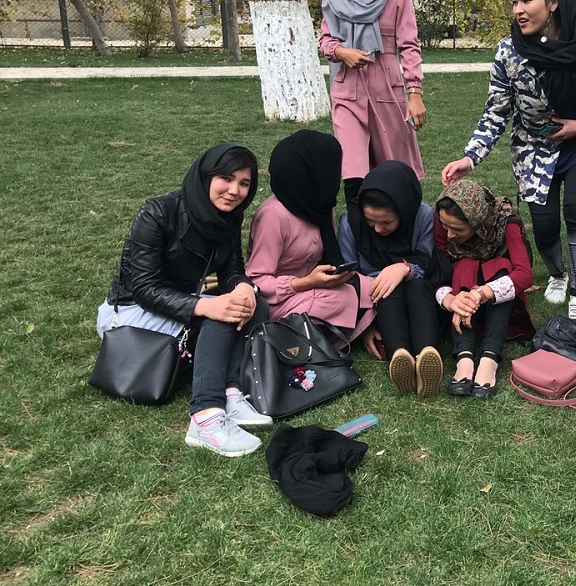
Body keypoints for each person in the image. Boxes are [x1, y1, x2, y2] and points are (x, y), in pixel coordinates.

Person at [441, 0, 576, 324]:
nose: (519, 10)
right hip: (534, 145)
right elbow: (496, 111)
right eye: (515, 1)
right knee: (543, 224)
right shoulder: (509, 51)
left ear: (554, 2)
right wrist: (470, 157)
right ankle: (557, 274)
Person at [96, 144, 271, 458]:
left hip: (182, 303)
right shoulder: (158, 211)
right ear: (205, 176)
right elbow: (143, 288)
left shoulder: (226, 218)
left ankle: (230, 392)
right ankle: (205, 417)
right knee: (219, 314)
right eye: (226, 178)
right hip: (129, 311)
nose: (234, 191)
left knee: (255, 305)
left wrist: (243, 286)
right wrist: (204, 306)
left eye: (244, 183)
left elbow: (231, 269)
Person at [319, 0, 427, 207]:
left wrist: (414, 93)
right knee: (353, 175)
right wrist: (343, 52)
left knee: (394, 172)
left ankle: (399, 238)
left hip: (387, 91)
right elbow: (325, 41)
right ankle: (358, 241)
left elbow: (409, 45)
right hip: (347, 93)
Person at [246, 130, 377, 350]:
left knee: (376, 287)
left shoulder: (319, 204)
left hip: (316, 287)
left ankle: (364, 329)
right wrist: (306, 283)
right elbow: (256, 281)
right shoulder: (274, 216)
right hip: (281, 301)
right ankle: (304, 337)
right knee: (342, 298)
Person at [338, 160, 446, 397]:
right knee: (388, 292)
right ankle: (401, 358)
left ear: (404, 210)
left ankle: (426, 355)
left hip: (416, 286)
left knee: (417, 287)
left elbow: (426, 261)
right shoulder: (350, 222)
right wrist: (365, 326)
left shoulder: (422, 216)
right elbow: (350, 277)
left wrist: (403, 268)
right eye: (371, 221)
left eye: (386, 222)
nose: (377, 229)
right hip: (375, 296)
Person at [434, 179, 534, 399]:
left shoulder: (506, 221)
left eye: (458, 229)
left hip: (500, 300)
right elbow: (437, 270)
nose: (449, 234)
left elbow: (524, 274)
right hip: (457, 292)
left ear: (478, 222)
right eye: (445, 226)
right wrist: (450, 299)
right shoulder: (441, 221)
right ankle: (464, 358)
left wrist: (481, 294)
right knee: (464, 264)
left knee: (500, 265)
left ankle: (489, 359)